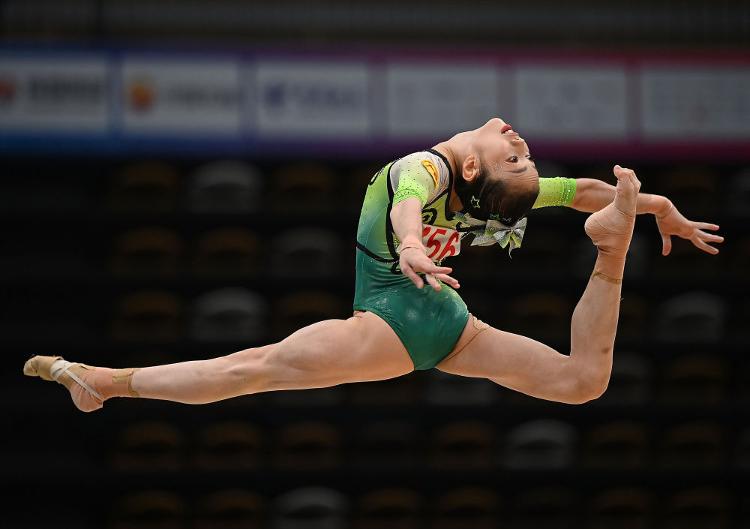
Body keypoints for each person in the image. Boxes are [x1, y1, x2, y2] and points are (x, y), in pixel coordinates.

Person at [23, 117, 724, 412]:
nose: (521, 143)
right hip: (436, 324)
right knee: (582, 382)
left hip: (399, 322)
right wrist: (656, 206)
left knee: (252, 369)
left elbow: (585, 194)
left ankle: (105, 383)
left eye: (522, 157)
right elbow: (409, 209)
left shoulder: (454, 172)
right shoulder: (443, 174)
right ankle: (611, 250)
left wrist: (651, 207)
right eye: (523, 158)